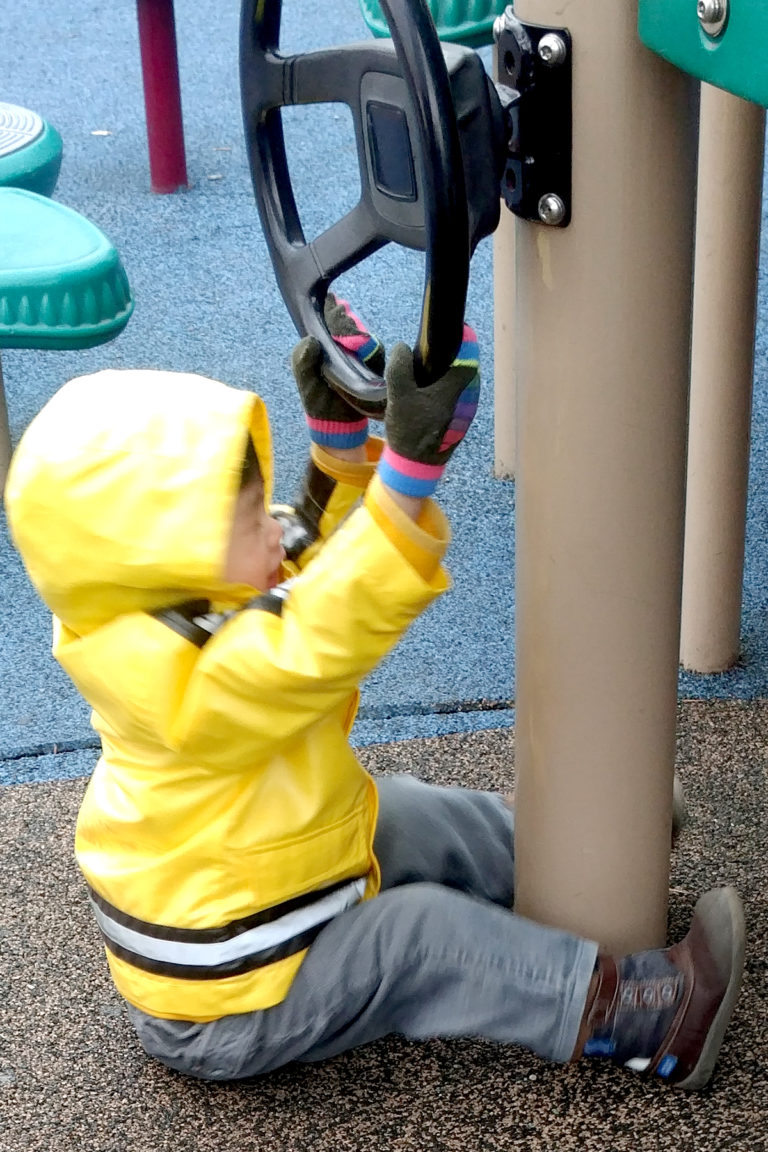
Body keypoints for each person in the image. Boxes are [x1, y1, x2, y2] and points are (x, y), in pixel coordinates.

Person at [4, 297, 744, 1091]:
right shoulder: (176, 685)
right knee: (413, 940)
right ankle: (644, 1019)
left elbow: (297, 567)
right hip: (232, 1003)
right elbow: (317, 632)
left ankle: (588, 851)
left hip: (262, 878)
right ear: (159, 559)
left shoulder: (155, 601)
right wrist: (403, 483)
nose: (273, 528)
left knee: (403, 810)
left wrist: (337, 454)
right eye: (250, 518)